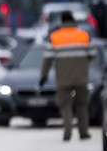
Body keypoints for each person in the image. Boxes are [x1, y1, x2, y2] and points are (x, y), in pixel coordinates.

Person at [39, 10, 96, 141]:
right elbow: (93, 54)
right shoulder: (84, 35)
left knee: (65, 105)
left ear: (62, 22)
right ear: (73, 20)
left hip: (63, 79)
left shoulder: (55, 37)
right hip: (81, 78)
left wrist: (43, 77)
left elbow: (47, 59)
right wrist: (81, 62)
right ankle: (83, 132)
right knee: (82, 105)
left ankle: (68, 132)